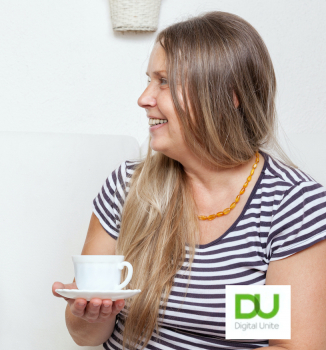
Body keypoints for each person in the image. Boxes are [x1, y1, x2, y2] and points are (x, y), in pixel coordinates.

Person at [52, 12, 326, 350]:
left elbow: (294, 347)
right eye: (149, 79)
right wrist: (89, 316)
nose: (144, 98)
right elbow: (85, 336)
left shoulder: (290, 206)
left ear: (228, 95)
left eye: (163, 81)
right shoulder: (126, 186)